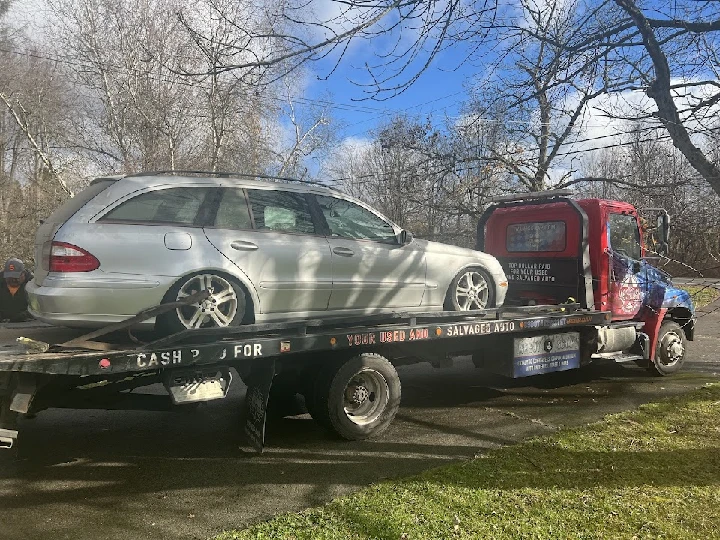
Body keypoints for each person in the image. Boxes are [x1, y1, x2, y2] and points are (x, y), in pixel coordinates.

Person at [0, 258, 34, 323]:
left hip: (26, 324)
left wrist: (24, 316)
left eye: (16, 276)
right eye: (9, 277)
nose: (13, 279)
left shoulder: (33, 284)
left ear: (23, 273)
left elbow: (38, 308)